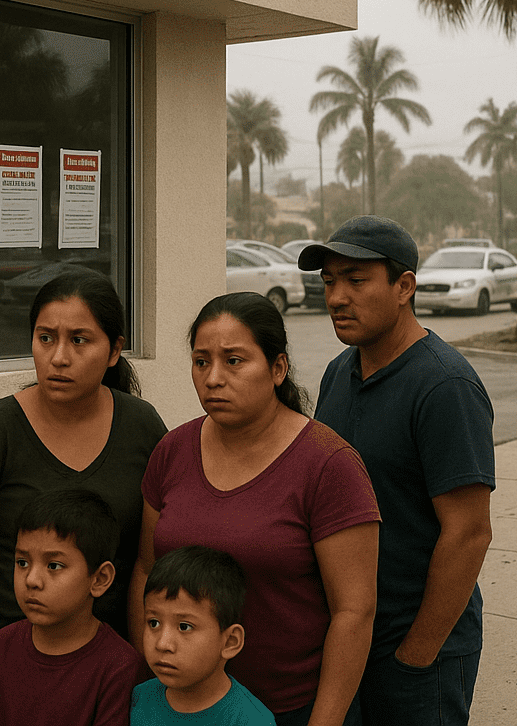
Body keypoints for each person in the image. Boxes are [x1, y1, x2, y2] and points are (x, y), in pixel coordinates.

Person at [131, 292, 380, 726]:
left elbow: (354, 612)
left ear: (278, 369)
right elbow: (146, 568)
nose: (213, 378)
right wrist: (153, 676)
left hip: (291, 707)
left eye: (234, 361)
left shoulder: (328, 464)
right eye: (201, 361)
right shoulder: (172, 451)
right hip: (183, 706)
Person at [298, 216, 495, 726]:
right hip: (349, 636)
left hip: (416, 649)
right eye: (329, 281)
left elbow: (469, 533)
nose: (337, 297)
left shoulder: (444, 386)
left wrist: (418, 654)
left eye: (356, 280)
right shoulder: (340, 372)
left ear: (404, 286)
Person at [0, 269, 167, 639]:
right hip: (12, 659)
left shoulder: (142, 426)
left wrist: (144, 666)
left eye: (79, 340)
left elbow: (148, 564)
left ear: (113, 351)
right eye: (46, 338)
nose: (59, 357)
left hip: (113, 667)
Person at [0, 488, 142, 726]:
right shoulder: (0, 647)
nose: (31, 580)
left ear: (100, 579)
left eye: (54, 565)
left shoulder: (119, 666)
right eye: (22, 562)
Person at [133, 545, 276, 725]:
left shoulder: (251, 720)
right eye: (154, 623)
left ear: (230, 642)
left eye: (184, 627)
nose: (162, 643)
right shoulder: (139, 698)